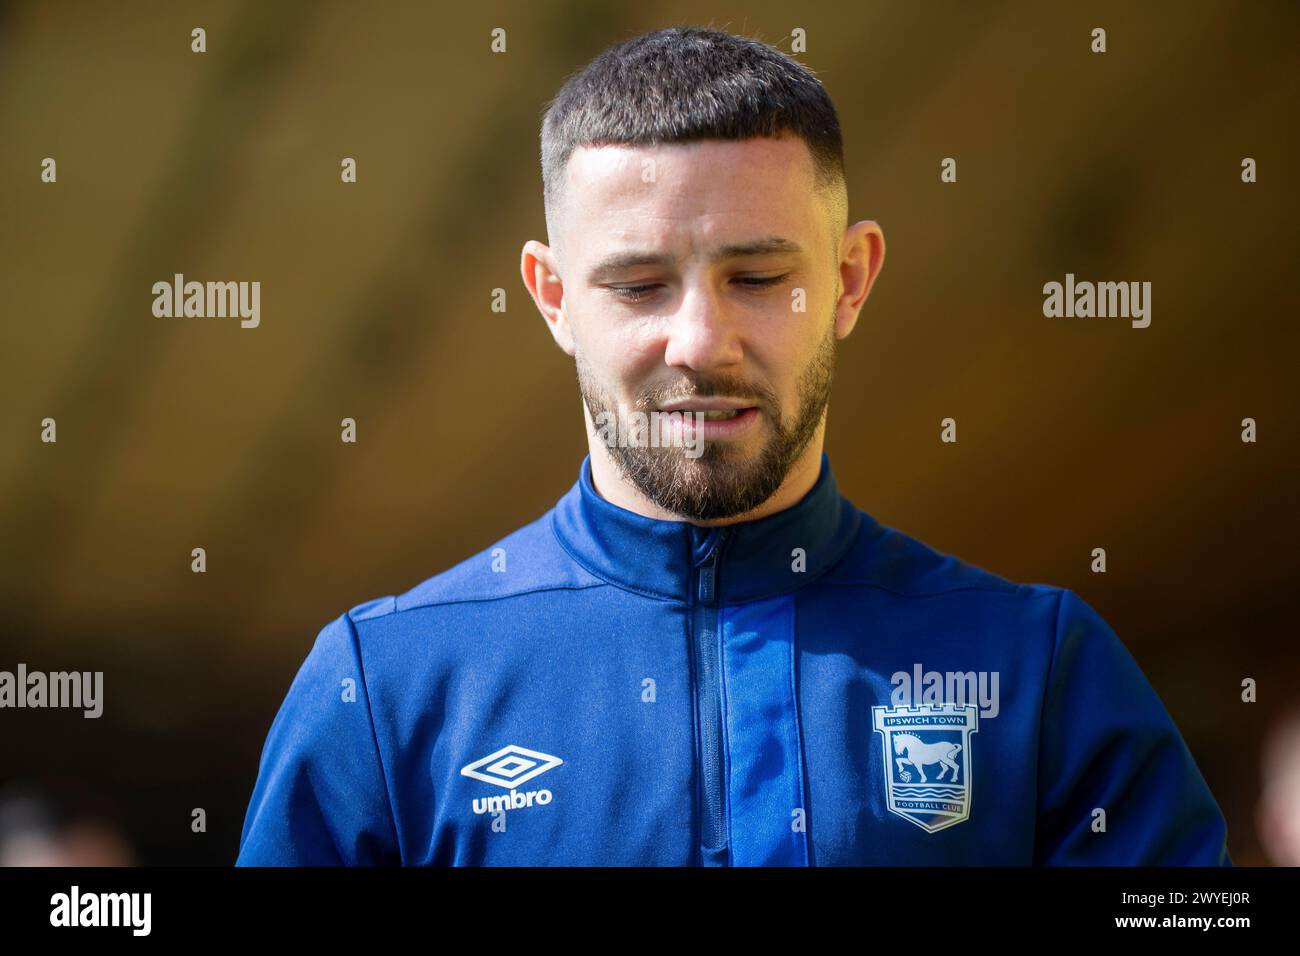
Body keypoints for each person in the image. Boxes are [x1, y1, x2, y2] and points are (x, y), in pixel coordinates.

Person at [236, 27, 1230, 866]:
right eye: (637, 284)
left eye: (756, 276)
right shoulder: (387, 684)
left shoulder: (1039, 670)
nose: (700, 342)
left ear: (848, 278)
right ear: (552, 297)